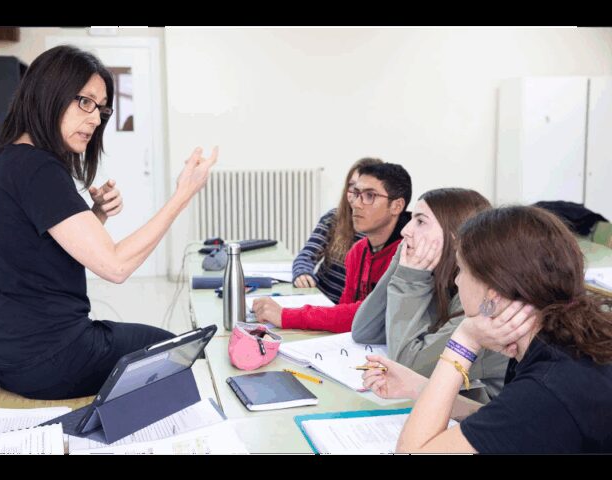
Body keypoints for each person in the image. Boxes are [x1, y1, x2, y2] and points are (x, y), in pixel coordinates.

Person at [0, 45, 217, 400]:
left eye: (101, 109)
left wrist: (95, 215)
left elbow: (36, 255)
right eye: (85, 102)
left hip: (5, 359)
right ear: (48, 92)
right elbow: (115, 266)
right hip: (52, 360)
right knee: (180, 351)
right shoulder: (37, 168)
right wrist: (183, 194)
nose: (95, 119)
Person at [363, 206, 612, 453]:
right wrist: (417, 387)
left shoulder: (546, 388)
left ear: (492, 293)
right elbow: (502, 422)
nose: (457, 280)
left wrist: (464, 340)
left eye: (461, 270)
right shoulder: (561, 342)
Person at [352, 188, 508, 401]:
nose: (405, 231)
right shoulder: (439, 277)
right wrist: (399, 263)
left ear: (455, 237)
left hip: (484, 415)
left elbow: (408, 369)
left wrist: (409, 278)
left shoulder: (484, 302)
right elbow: (364, 331)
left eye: (420, 221)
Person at [253, 162, 411, 332]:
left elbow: (369, 315)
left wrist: (286, 316)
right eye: (356, 193)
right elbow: (344, 312)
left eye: (370, 195)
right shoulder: (358, 251)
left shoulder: (409, 256)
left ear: (396, 206)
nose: (356, 204)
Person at [292, 157, 383, 303]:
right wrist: (302, 273)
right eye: (352, 186)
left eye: (366, 191)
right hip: (321, 301)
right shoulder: (334, 218)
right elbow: (307, 255)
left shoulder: (383, 233)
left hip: (350, 311)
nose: (356, 195)